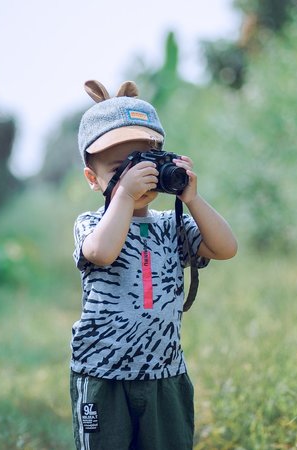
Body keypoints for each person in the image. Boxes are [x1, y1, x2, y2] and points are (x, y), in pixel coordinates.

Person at [70, 79, 237, 449]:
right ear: (92, 179)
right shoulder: (91, 224)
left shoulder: (169, 224)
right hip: (103, 375)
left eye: (144, 163)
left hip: (164, 374)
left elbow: (226, 248)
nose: (135, 176)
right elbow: (102, 252)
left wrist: (191, 198)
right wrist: (126, 196)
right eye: (120, 168)